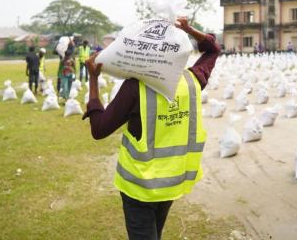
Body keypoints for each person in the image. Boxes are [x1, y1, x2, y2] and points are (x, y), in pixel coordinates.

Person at [83, 17, 220, 239]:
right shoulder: (193, 80)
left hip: (139, 189)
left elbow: (99, 129)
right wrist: (189, 29)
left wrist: (93, 81)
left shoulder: (135, 87)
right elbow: (213, 51)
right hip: (170, 186)